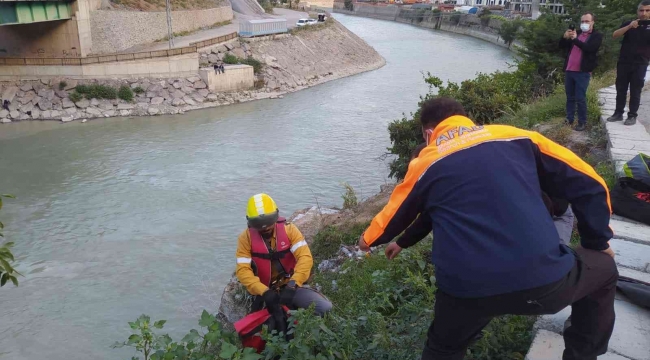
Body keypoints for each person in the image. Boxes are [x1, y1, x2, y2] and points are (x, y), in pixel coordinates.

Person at [358, 97, 617, 360]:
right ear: (466, 119)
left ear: (428, 133)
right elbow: (591, 183)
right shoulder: (517, 137)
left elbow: (387, 222)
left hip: (465, 291)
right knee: (605, 271)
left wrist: (366, 240)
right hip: (544, 281)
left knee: (444, 347)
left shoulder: (427, 160)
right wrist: (596, 242)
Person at [235, 193, 332, 318]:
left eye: (268, 222)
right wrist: (263, 291)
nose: (265, 228)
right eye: (259, 225)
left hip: (291, 286)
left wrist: (293, 284)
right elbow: (243, 271)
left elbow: (305, 258)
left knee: (325, 308)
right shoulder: (245, 239)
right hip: (264, 292)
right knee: (263, 330)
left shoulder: (289, 230)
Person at [607, 0, 650, 125]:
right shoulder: (630, 24)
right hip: (624, 62)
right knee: (621, 88)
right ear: (638, 11)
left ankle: (632, 115)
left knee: (635, 90)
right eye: (641, 10)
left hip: (640, 63)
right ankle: (618, 113)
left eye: (647, 10)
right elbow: (615, 34)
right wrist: (629, 26)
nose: (644, 13)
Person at [559, 12, 603, 132]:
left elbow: (590, 49)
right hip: (569, 69)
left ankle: (582, 122)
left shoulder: (596, 36)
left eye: (587, 21)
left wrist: (575, 40)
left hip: (582, 72)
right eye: (582, 21)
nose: (584, 24)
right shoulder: (576, 33)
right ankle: (569, 119)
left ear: (593, 22)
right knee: (570, 97)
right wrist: (565, 37)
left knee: (580, 97)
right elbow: (561, 46)